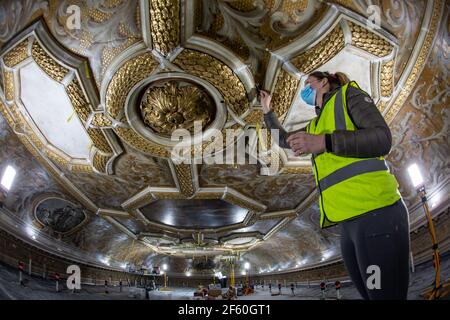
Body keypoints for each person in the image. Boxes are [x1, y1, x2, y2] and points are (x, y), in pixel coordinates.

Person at [260, 71, 410, 300]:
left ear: (324, 82)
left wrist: (325, 141)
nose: (305, 88)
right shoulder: (314, 126)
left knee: (383, 295)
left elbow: (382, 139)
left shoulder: (349, 95)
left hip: (375, 212)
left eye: (309, 83)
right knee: (370, 294)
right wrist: (267, 110)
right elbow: (283, 140)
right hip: (348, 224)